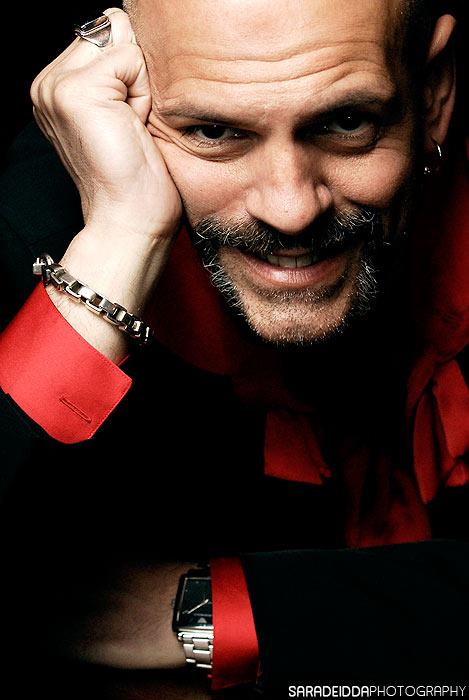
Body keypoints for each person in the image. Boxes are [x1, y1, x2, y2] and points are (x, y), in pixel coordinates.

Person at [0, 0, 467, 696]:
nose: (290, 209)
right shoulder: (37, 218)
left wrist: (203, 611)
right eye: (213, 131)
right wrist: (121, 242)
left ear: (432, 93)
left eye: (346, 122)